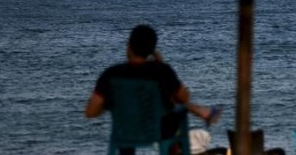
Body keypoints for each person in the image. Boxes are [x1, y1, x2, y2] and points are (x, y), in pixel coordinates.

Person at [85, 24, 221, 154]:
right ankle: (178, 147)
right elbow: (184, 97)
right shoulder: (161, 70)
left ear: (129, 45)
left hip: (125, 132)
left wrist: (112, 105)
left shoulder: (111, 74)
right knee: (177, 108)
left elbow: (91, 112)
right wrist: (161, 65)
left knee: (128, 122)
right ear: (152, 50)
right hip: (158, 132)